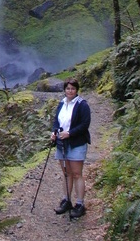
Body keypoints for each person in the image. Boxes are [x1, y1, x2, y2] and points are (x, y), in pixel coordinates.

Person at [50, 77, 91, 219]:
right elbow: (56, 121)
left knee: (77, 173)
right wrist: (54, 132)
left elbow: (85, 124)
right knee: (66, 173)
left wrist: (70, 133)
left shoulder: (82, 104)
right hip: (62, 143)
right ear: (64, 90)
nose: (70, 91)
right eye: (68, 88)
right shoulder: (62, 103)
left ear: (77, 90)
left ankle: (80, 204)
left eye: (73, 89)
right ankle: (66, 200)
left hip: (76, 143)